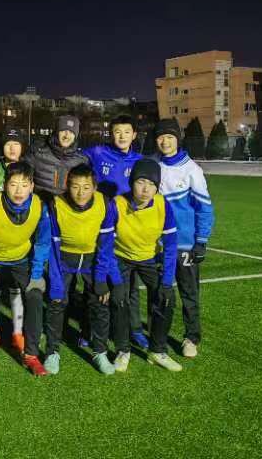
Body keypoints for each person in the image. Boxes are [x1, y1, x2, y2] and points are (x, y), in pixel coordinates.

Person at [0, 161, 52, 380]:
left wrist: (36, 274)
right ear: (4, 185)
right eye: (13, 184)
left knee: (35, 294)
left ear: (32, 186)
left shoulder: (39, 206)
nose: (19, 190)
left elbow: (43, 243)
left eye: (24, 185)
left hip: (20, 258)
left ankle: (32, 354)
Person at [43, 164, 121, 376]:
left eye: (86, 187)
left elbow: (105, 246)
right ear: (67, 186)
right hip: (64, 259)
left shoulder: (105, 204)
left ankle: (99, 351)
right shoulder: (55, 205)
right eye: (75, 187)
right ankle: (52, 351)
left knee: (100, 301)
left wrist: (101, 279)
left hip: (92, 260)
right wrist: (57, 284)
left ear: (94, 187)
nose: (80, 192)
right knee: (56, 302)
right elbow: (53, 248)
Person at [111, 159, 182, 373]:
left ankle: (157, 350)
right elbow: (105, 245)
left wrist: (168, 281)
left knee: (166, 298)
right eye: (141, 182)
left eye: (151, 184)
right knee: (119, 300)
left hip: (149, 258)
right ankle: (123, 350)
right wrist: (114, 278)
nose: (145, 189)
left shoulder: (162, 204)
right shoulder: (116, 204)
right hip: (120, 257)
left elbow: (170, 245)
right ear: (132, 182)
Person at [83, 114, 146, 349]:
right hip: (99, 225)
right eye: (117, 132)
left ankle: (135, 328)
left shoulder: (140, 160)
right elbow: (72, 162)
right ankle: (91, 329)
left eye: (126, 132)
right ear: (111, 133)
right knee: (97, 279)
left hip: (127, 228)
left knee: (129, 284)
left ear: (134, 135)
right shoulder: (97, 153)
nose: (121, 136)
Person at [153, 118, 214, 358]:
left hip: (185, 244)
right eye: (160, 136)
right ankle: (156, 337)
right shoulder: (152, 165)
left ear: (178, 139)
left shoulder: (192, 170)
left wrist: (201, 240)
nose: (165, 141)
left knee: (189, 294)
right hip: (158, 245)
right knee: (159, 293)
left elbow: (205, 208)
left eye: (169, 136)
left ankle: (191, 338)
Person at [0, 127, 25, 355]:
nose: (12, 147)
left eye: (16, 143)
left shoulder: (27, 171)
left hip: (19, 238)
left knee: (17, 289)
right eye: (8, 143)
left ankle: (18, 332)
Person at [25, 115, 88, 202]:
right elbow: (23, 181)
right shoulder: (38, 153)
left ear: (75, 136)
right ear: (56, 132)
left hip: (66, 210)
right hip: (40, 207)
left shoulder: (81, 161)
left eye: (71, 132)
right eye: (63, 130)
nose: (67, 135)